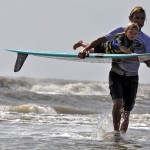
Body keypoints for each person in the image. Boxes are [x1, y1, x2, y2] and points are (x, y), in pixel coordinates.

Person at [73, 6, 150, 141]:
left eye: (142, 18)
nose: (139, 20)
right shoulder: (120, 32)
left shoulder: (146, 40)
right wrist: (85, 49)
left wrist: (146, 61)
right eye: (136, 17)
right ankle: (116, 133)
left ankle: (121, 139)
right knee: (118, 102)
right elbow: (102, 39)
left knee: (126, 112)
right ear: (130, 18)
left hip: (132, 77)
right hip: (116, 73)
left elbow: (148, 61)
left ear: (145, 21)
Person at [73, 22, 139, 58]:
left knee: (91, 51)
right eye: (131, 32)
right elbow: (122, 47)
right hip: (104, 47)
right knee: (91, 50)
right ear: (126, 31)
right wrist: (131, 53)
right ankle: (81, 43)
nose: (133, 35)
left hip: (110, 51)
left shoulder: (133, 41)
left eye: (135, 33)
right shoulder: (121, 38)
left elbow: (132, 50)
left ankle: (81, 43)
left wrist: (133, 54)